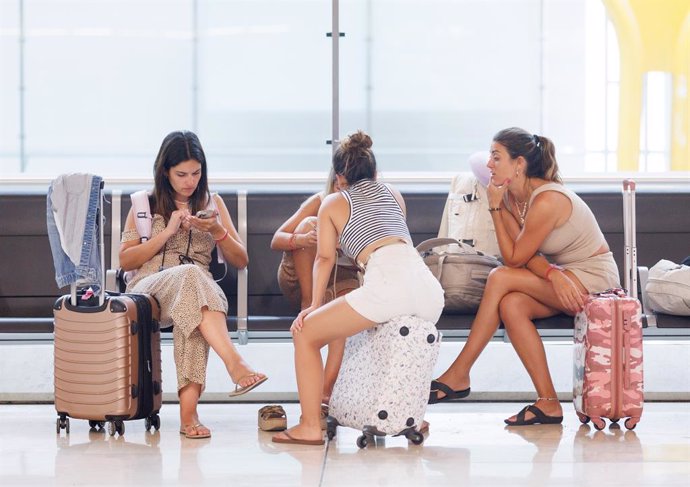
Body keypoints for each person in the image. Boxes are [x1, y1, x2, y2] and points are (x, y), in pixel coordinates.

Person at [429, 127, 620, 426]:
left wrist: (555, 274)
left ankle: (459, 372)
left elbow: (515, 259)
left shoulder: (547, 200)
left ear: (519, 164)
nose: (489, 164)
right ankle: (548, 403)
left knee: (500, 278)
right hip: (564, 278)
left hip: (594, 278)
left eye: (496, 157)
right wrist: (553, 274)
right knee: (512, 305)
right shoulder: (512, 198)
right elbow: (515, 256)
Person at [272, 130, 444, 445]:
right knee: (391, 339)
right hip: (428, 289)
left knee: (305, 333)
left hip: (387, 284)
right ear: (374, 172)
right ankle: (410, 415)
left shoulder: (334, 202)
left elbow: (324, 258)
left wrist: (312, 306)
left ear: (340, 177)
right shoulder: (393, 192)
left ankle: (310, 426)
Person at [119, 131, 267, 439]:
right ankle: (234, 363)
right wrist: (167, 232)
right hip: (151, 290)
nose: (190, 181)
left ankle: (189, 416)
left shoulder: (213, 203)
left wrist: (218, 231)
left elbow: (241, 260)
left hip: (197, 289)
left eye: (196, 173)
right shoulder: (144, 204)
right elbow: (126, 260)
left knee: (195, 306)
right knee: (192, 280)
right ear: (165, 172)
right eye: (181, 174)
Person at [270, 169, 360, 405]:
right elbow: (277, 239)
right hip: (302, 276)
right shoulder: (320, 200)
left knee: (343, 315)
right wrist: (303, 239)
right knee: (308, 223)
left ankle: (325, 393)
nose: (343, 192)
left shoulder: (366, 208)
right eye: (340, 187)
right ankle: (309, 304)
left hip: (340, 276)